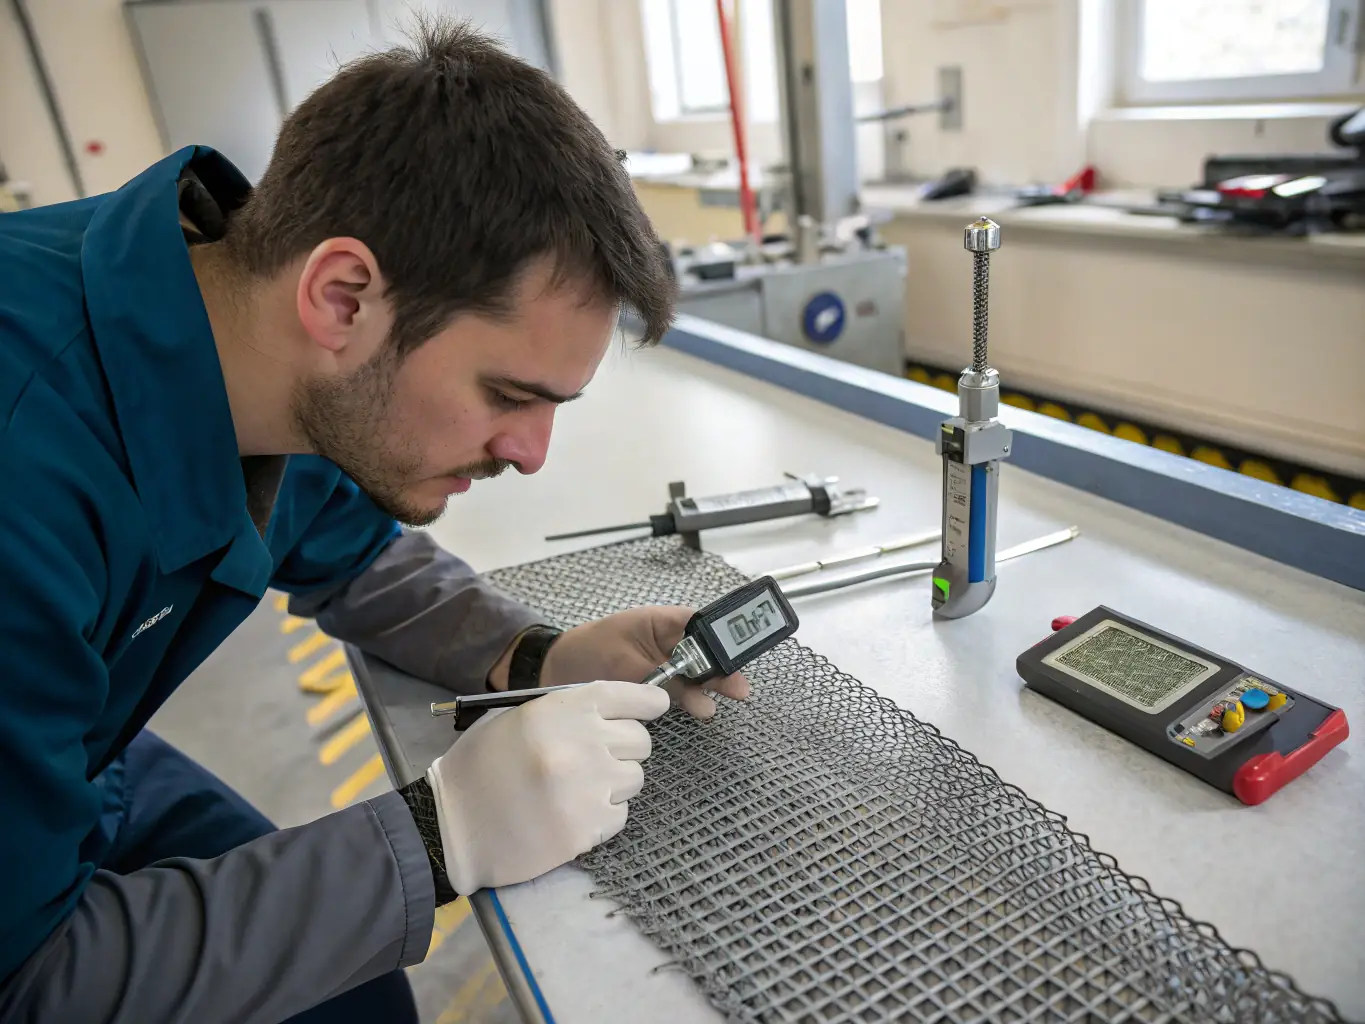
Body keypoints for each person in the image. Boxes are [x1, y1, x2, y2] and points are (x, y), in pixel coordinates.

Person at [0, 18, 749, 1023]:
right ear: (343, 296)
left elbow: (353, 557)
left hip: (76, 751)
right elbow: (30, 976)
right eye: (507, 393)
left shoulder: (228, 327)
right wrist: (448, 834)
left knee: (352, 994)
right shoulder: (25, 480)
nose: (531, 454)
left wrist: (538, 655)